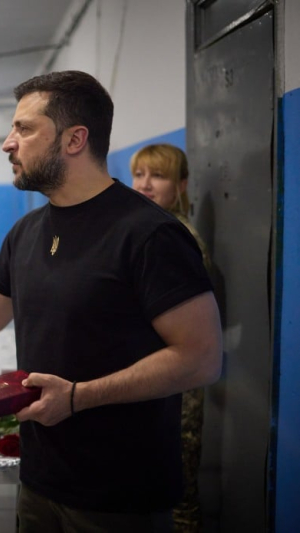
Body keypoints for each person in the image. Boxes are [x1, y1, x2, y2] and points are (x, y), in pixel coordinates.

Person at [0, 71, 223, 532]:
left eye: (23, 128)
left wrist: (78, 397)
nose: (7, 143)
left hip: (119, 491)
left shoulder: (148, 234)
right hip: (41, 475)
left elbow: (201, 358)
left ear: (74, 139)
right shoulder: (28, 232)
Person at [131, 143, 211, 532]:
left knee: (179, 498)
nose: (145, 185)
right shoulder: (147, 229)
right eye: (139, 175)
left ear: (181, 184)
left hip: (177, 387)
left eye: (158, 176)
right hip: (153, 380)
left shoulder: (179, 237)